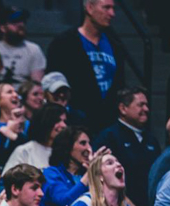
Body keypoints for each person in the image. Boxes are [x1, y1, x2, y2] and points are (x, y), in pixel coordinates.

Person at [46, 0, 125, 134]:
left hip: (108, 123)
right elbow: (53, 83)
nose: (112, 14)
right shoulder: (63, 43)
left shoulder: (115, 46)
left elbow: (119, 84)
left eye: (113, 8)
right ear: (89, 8)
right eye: (106, 8)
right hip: (75, 124)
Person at [93, 87, 160, 206]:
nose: (146, 109)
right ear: (123, 108)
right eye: (140, 105)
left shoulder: (152, 140)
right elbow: (100, 178)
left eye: (147, 105)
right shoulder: (108, 137)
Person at [0, 7, 45, 86]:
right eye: (15, 22)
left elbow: (37, 84)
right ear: (3, 28)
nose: (21, 25)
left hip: (22, 95)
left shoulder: (33, 49)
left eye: (23, 21)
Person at [2, 103, 67, 174]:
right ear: (45, 121)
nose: (64, 125)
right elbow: (7, 179)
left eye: (64, 121)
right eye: (57, 121)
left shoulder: (67, 151)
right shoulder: (24, 151)